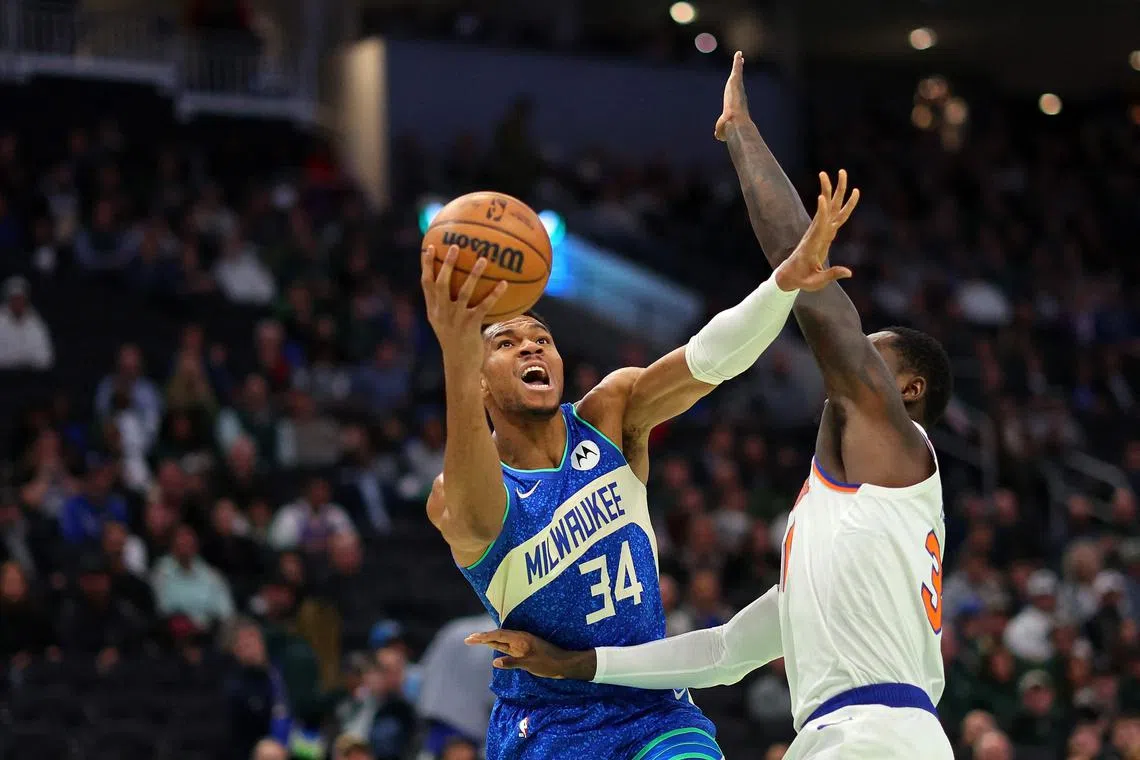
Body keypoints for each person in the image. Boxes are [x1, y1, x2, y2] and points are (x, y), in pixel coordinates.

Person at [466, 52, 955, 760]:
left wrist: (743, 137)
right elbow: (723, 652)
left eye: (875, 354)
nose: (854, 362)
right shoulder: (842, 545)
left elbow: (817, 300)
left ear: (908, 391)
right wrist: (575, 665)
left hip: (874, 733)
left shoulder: (898, 449)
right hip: (851, 735)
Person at [420, 79, 852, 760]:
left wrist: (783, 285)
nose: (533, 344)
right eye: (507, 342)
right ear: (477, 375)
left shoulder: (610, 415)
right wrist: (456, 349)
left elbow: (709, 361)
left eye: (542, 337)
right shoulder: (457, 496)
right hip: (549, 724)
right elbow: (478, 511)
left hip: (654, 705)